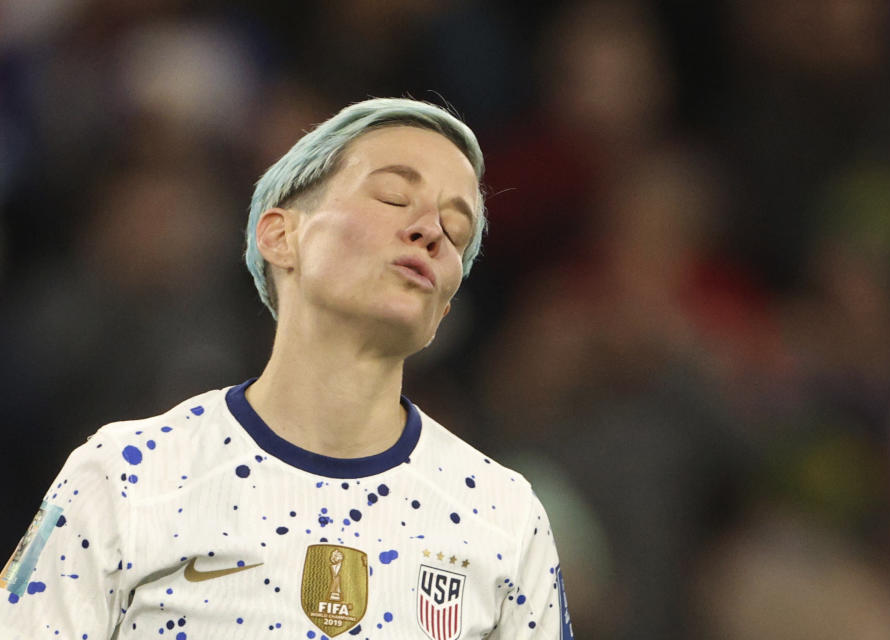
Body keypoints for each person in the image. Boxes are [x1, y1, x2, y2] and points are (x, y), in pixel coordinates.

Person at [0, 98, 574, 640]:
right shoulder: (127, 476)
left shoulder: (503, 517)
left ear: (444, 309)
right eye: (394, 197)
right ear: (280, 235)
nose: (429, 232)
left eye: (457, 232)